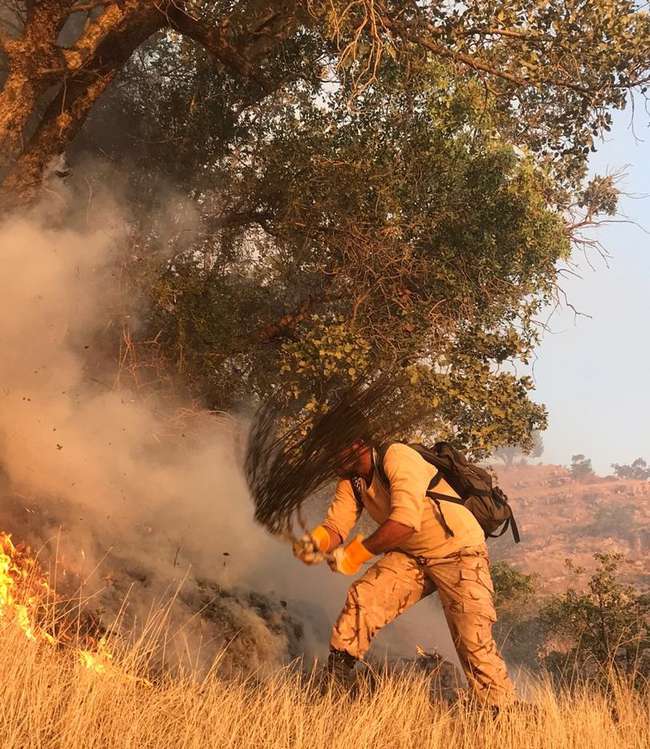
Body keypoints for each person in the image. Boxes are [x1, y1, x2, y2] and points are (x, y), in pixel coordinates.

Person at [293, 437, 516, 707]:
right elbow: (336, 528)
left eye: (333, 450)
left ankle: (501, 709)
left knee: (472, 636)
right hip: (412, 555)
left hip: (460, 552)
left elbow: (404, 523)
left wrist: (356, 554)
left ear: (357, 444)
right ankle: (336, 686)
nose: (328, 459)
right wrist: (315, 542)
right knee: (364, 598)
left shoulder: (397, 456)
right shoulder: (351, 482)